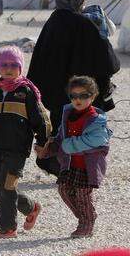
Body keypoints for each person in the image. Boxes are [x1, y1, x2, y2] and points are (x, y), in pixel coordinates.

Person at [28, 0, 120, 176]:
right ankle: (72, 168)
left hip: (56, 95)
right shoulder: (85, 23)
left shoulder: (53, 21)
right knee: (83, 132)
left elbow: (39, 61)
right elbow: (110, 63)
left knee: (60, 128)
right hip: (81, 96)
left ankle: (55, 162)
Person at [0, 46, 48, 239]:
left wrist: (42, 142)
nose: (9, 68)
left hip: (17, 150)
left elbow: (41, 119)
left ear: (20, 67)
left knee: (7, 187)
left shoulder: (26, 92)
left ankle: (8, 228)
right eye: (4, 65)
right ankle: (31, 207)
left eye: (14, 65)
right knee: (1, 186)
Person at [37, 76, 112, 239]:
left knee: (83, 195)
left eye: (83, 96)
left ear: (92, 97)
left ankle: (86, 224)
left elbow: (98, 140)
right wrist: (49, 150)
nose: (78, 99)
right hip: (70, 165)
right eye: (74, 96)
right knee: (64, 190)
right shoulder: (68, 114)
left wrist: (68, 145)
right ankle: (87, 217)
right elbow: (60, 137)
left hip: (87, 166)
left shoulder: (96, 120)